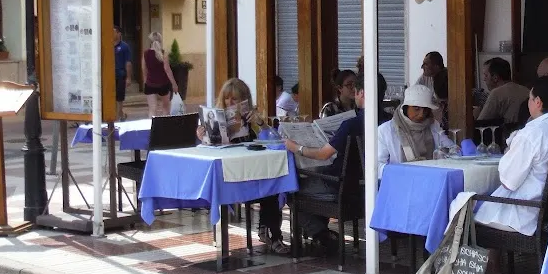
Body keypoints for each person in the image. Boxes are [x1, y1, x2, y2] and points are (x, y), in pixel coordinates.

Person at [475, 76, 548, 274]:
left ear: (538, 102)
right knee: (489, 205)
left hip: (529, 211)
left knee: (471, 211)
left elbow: (508, 180)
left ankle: (489, 271)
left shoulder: (531, 134)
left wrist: (510, 149)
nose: (529, 102)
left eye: (530, 98)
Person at [284, 71, 387, 255]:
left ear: (361, 93)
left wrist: (296, 148)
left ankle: (321, 234)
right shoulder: (389, 121)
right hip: (375, 189)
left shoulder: (352, 124)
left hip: (340, 187)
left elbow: (324, 154)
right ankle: (322, 235)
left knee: (290, 189)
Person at [197, 78, 289, 254]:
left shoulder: (251, 120)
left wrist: (261, 124)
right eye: (227, 99)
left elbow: (275, 141)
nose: (230, 103)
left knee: (272, 185)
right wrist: (203, 136)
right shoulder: (214, 120)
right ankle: (269, 232)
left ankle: (272, 234)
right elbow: (207, 152)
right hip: (228, 177)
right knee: (267, 187)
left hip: (252, 173)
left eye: (235, 99)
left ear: (244, 101)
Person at [376, 84, 455, 176]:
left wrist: (455, 151)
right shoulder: (385, 130)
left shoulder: (433, 125)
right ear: (405, 108)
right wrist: (400, 172)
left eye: (425, 110)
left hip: (431, 178)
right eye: (416, 109)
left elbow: (450, 149)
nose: (422, 114)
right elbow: (377, 166)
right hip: (400, 182)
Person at [477, 58, 528, 124]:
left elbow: (481, 123)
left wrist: (476, 113)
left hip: (508, 133)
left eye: (486, 75)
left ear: (495, 77)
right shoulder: (527, 91)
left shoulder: (496, 93)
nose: (484, 79)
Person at [142, 31, 178, 117]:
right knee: (166, 108)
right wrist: (174, 84)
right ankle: (164, 128)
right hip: (163, 83)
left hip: (150, 83)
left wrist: (145, 81)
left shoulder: (145, 53)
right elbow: (167, 69)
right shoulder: (164, 53)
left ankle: (152, 128)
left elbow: (144, 69)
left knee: (152, 108)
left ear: (150, 41)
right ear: (161, 41)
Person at [113, 25, 132, 121]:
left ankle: (118, 117)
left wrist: (128, 77)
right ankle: (121, 114)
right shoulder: (107, 45)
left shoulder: (124, 46)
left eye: (114, 32)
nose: (112, 34)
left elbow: (128, 62)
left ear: (119, 34)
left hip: (120, 75)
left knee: (119, 97)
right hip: (110, 76)